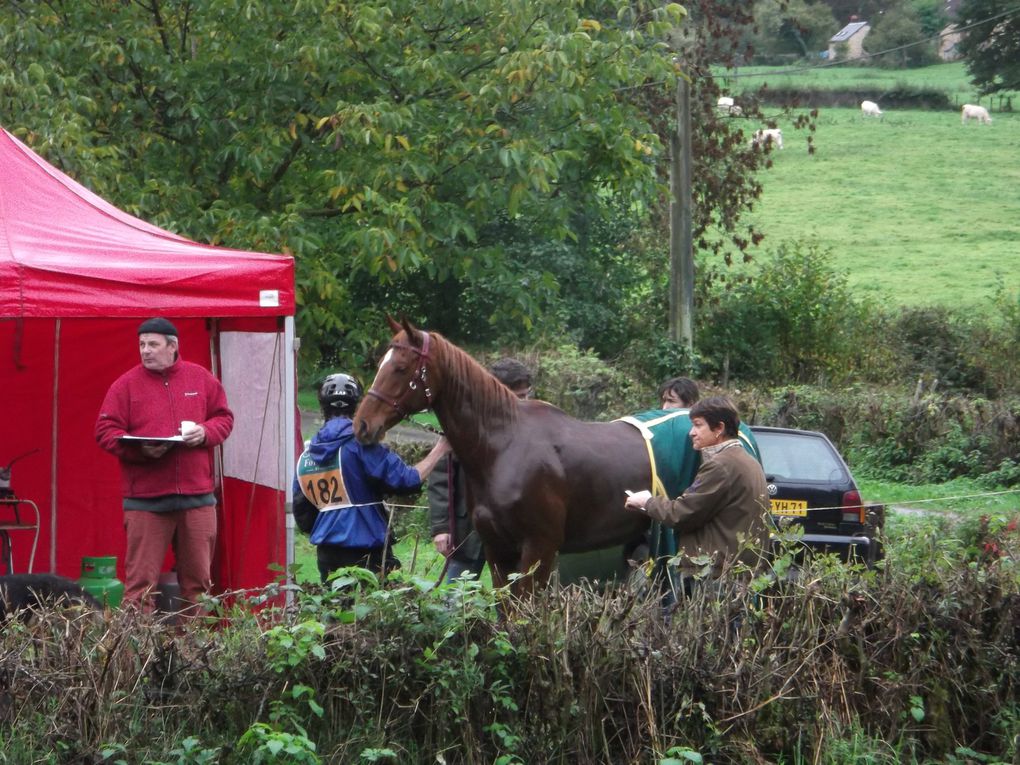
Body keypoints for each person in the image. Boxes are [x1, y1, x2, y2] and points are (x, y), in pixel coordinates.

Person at [95, 317, 234, 613]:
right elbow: (104, 431)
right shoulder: (125, 385)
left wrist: (205, 432)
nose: (145, 350)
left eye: (153, 344)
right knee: (139, 587)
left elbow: (224, 418)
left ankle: (192, 654)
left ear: (172, 346)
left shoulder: (201, 379)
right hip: (146, 501)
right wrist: (140, 450)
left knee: (198, 585)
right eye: (142, 344)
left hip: (197, 499)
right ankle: (138, 657)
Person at [293, 373, 451, 583]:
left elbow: (302, 514)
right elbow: (408, 480)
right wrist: (441, 448)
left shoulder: (306, 454)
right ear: (357, 404)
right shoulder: (361, 446)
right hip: (367, 551)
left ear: (322, 406)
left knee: (334, 613)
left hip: (327, 553)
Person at [624, 396, 770, 590]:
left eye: (698, 425)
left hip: (714, 575)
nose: (691, 433)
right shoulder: (747, 461)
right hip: (736, 573)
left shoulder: (720, 466)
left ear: (719, 428)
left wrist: (647, 501)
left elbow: (682, 513)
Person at [429, 358, 533, 581]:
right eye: (518, 396)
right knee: (455, 599)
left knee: (511, 601)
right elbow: (441, 478)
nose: (524, 402)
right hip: (469, 532)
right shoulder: (464, 424)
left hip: (512, 532)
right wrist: (441, 528)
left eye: (526, 395)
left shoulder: (535, 427)